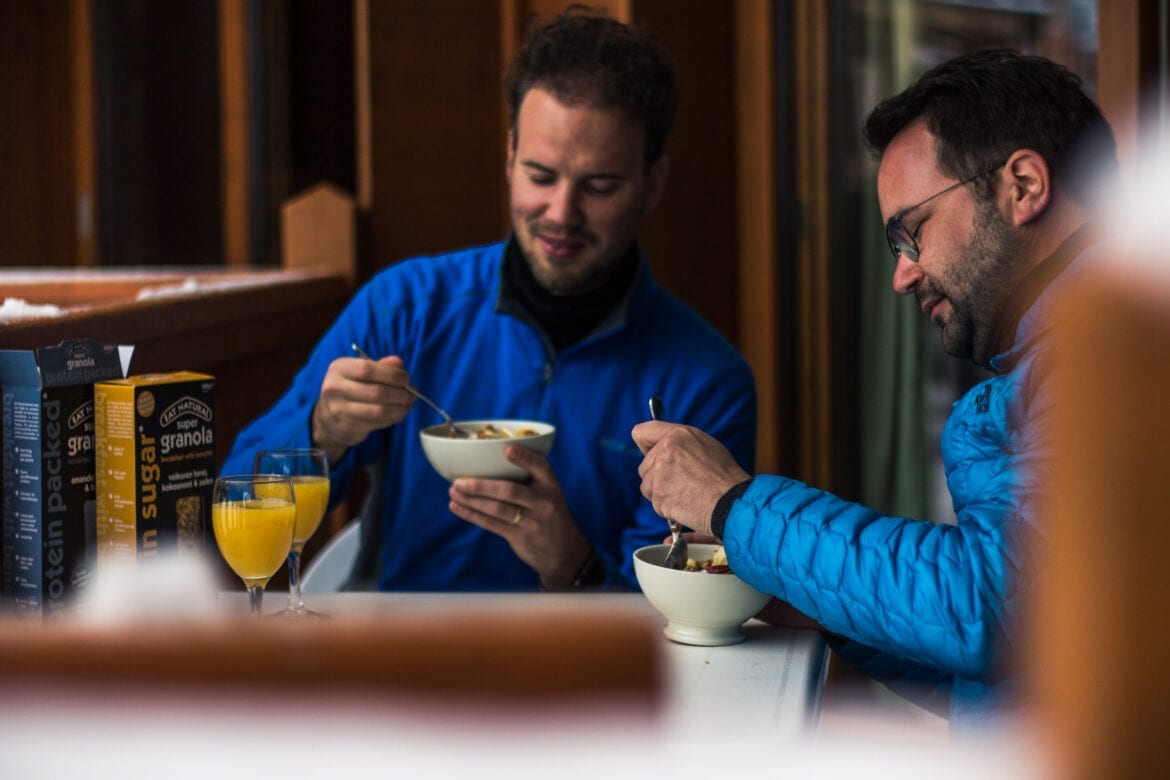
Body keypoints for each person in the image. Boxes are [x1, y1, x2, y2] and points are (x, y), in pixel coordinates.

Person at [632, 48, 1120, 727]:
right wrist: (797, 585)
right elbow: (1006, 676)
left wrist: (733, 505)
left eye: (913, 233)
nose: (903, 275)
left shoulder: (1121, 356)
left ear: (1024, 185)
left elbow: (989, 609)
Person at [221, 7, 756, 592]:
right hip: (403, 662)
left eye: (599, 186)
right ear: (508, 159)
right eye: (540, 175)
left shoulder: (704, 381)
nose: (560, 214)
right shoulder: (404, 310)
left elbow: (684, 612)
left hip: (590, 672)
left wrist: (572, 564)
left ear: (653, 183)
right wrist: (322, 430)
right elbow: (240, 498)